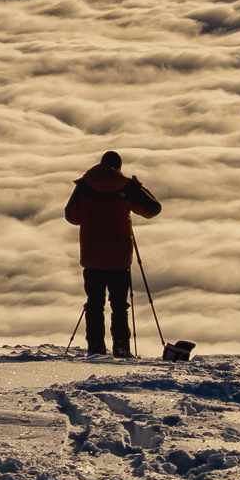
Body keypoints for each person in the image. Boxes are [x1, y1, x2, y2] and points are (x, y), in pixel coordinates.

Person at [65, 150, 162, 358]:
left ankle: (95, 347)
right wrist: (139, 187)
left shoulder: (84, 185)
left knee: (94, 303)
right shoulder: (126, 187)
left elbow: (71, 216)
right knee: (119, 305)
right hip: (119, 258)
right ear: (119, 167)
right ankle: (121, 347)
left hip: (92, 257)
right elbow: (154, 209)